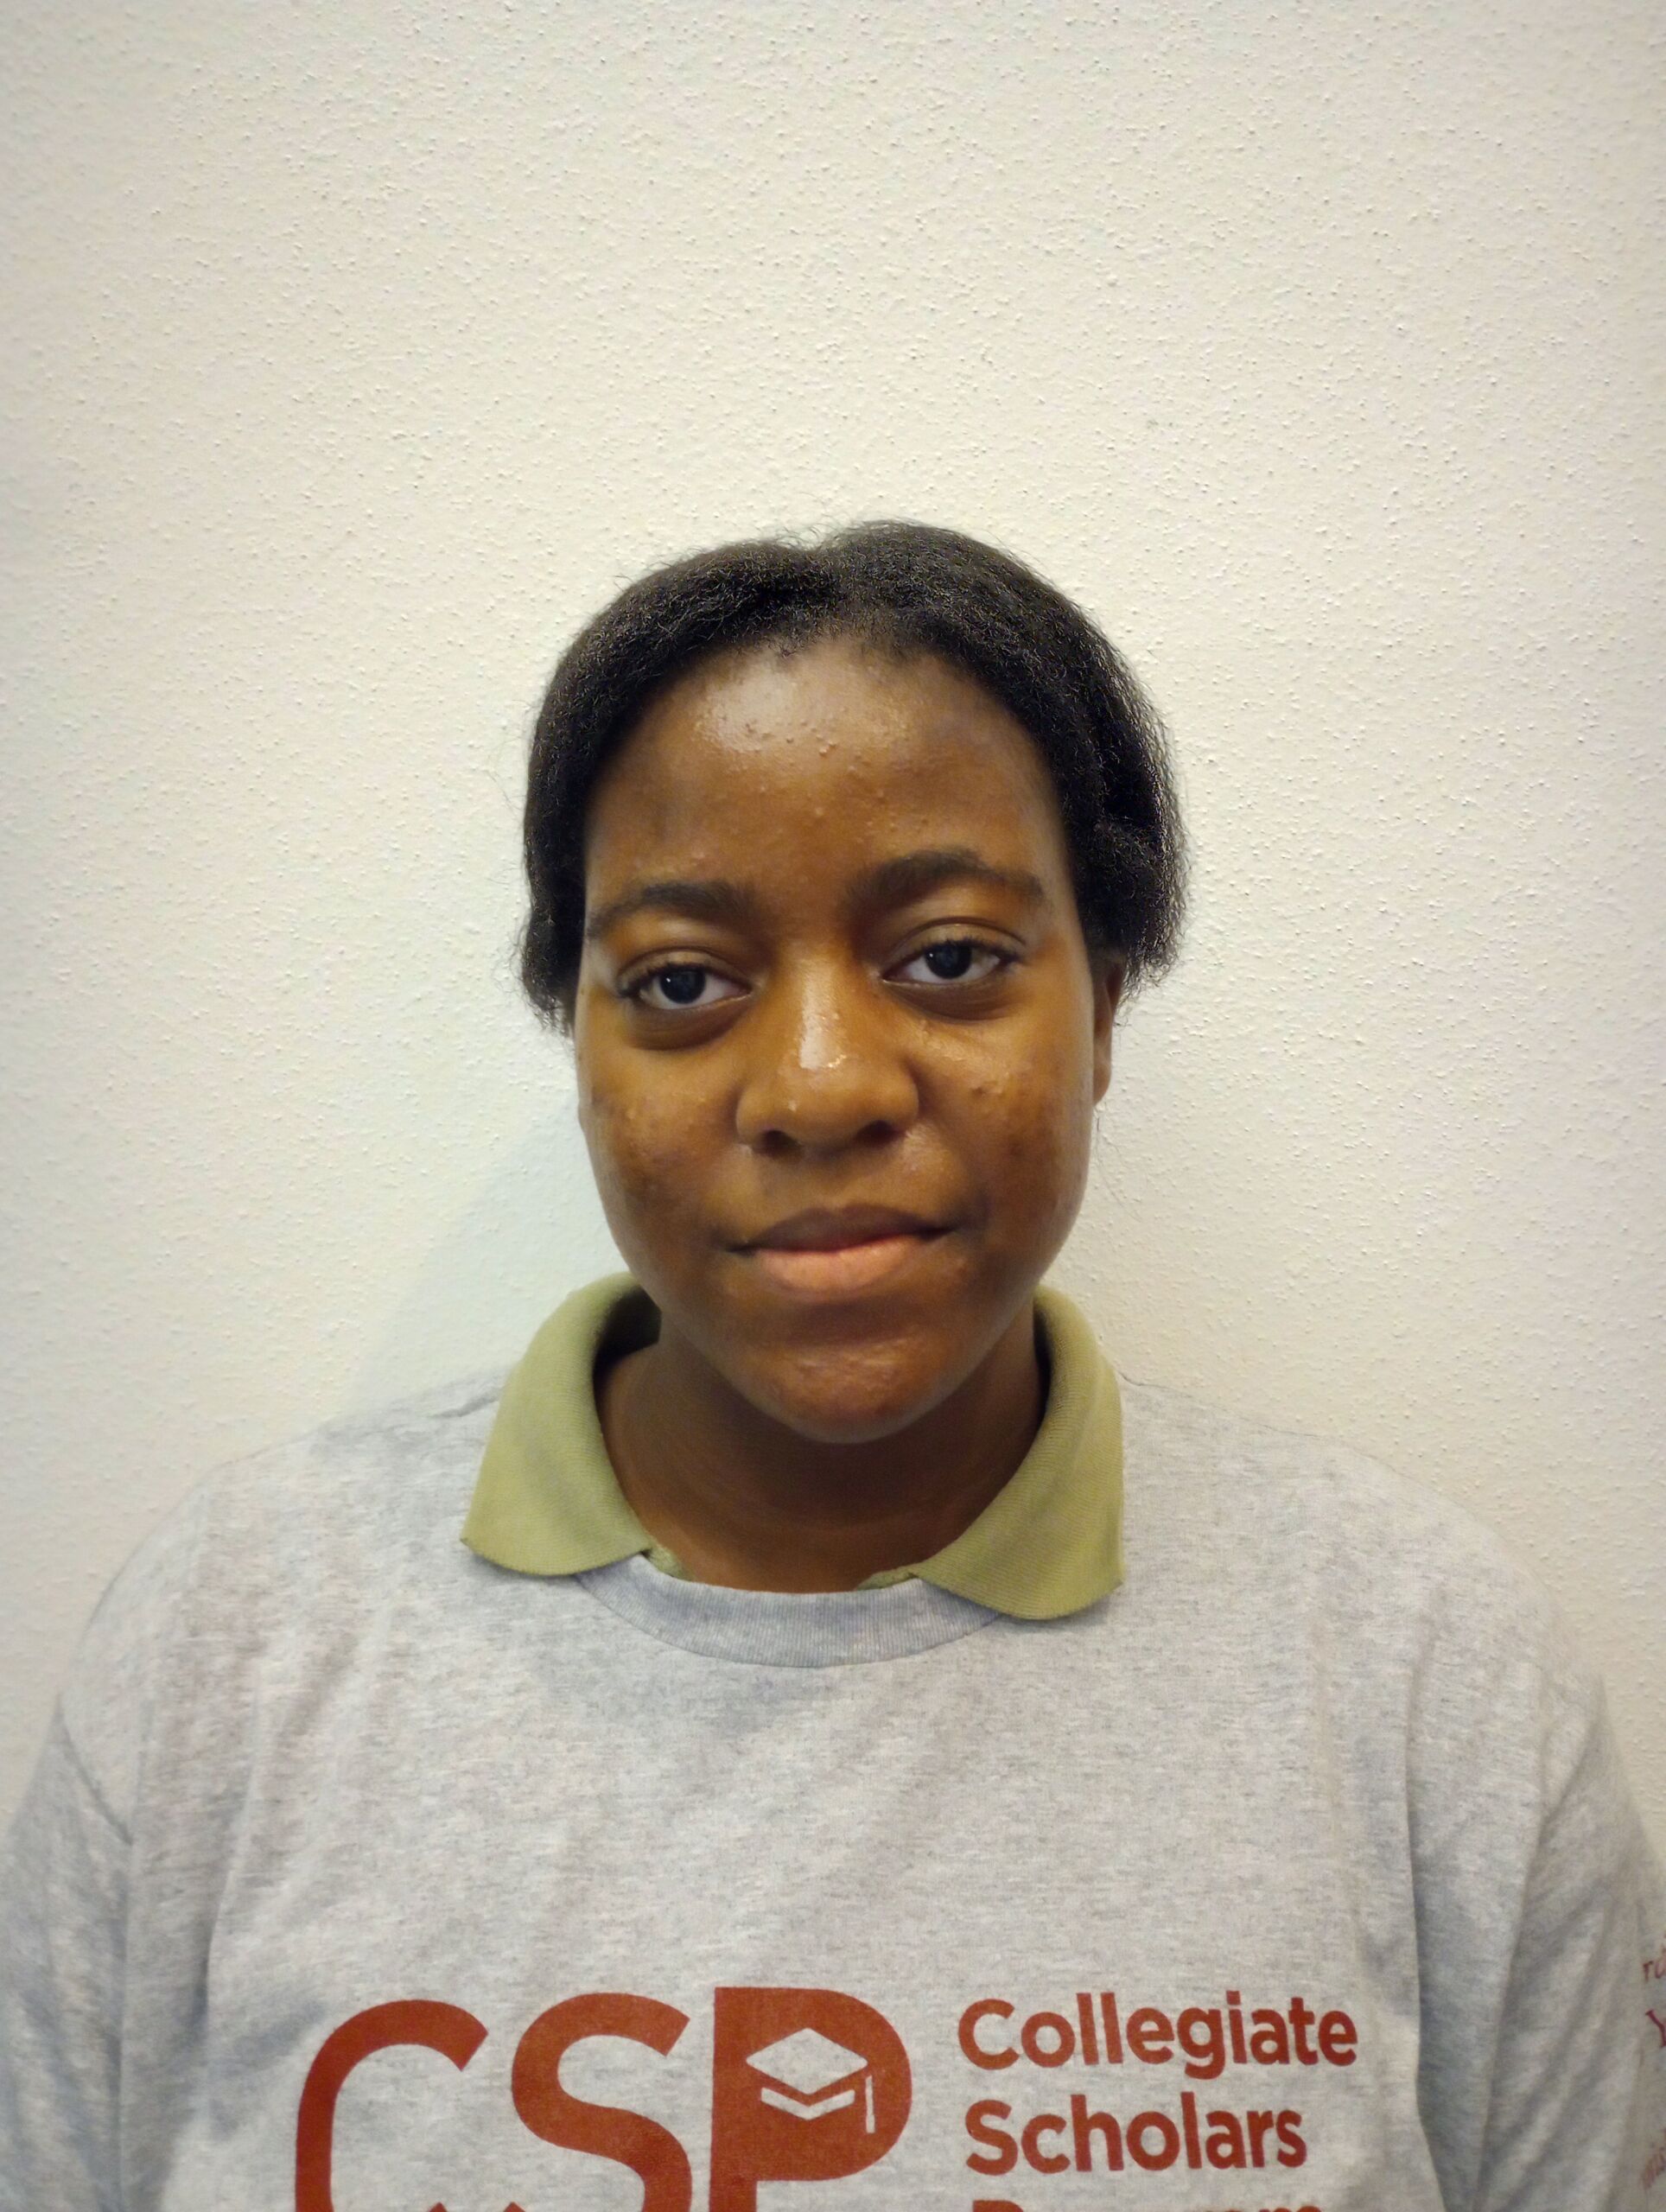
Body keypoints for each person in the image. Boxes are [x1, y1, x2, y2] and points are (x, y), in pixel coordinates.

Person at [2, 522, 1661, 2209]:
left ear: (1102, 1005)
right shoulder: (233, 1644)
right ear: (575, 1042)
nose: (816, 1084)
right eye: (680, 980)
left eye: (946, 956)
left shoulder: (1428, 1683)